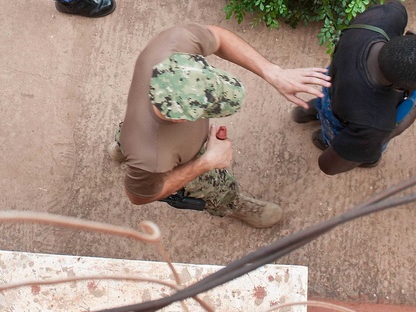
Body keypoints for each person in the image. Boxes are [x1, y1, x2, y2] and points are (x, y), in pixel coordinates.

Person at [114, 23, 330, 228]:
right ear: (181, 119)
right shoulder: (153, 157)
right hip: (175, 157)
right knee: (211, 185)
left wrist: (272, 72)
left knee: (127, 137)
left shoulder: (173, 43)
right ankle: (230, 202)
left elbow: (218, 37)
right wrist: (206, 162)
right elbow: (140, 196)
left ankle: (120, 149)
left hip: (134, 129)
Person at [290, 0, 416, 175]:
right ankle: (329, 141)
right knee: (363, 149)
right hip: (346, 116)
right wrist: (412, 107)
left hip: (334, 80)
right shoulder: (373, 122)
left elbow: (393, 6)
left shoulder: (386, 17)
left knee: (326, 99)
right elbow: (328, 166)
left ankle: (307, 111)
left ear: (409, 36)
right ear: (400, 87)